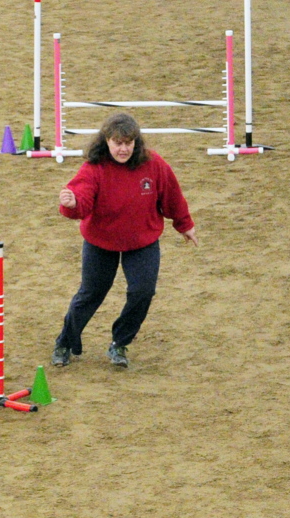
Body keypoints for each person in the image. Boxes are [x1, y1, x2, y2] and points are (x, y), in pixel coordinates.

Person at [52, 112, 198, 369]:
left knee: (143, 291)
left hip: (142, 242)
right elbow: (81, 197)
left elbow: (172, 196)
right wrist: (72, 204)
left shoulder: (154, 165)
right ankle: (65, 341)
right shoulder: (94, 168)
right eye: (118, 143)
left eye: (129, 143)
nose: (124, 149)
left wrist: (184, 224)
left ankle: (119, 343)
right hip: (101, 241)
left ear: (136, 142)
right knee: (91, 294)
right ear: (106, 141)